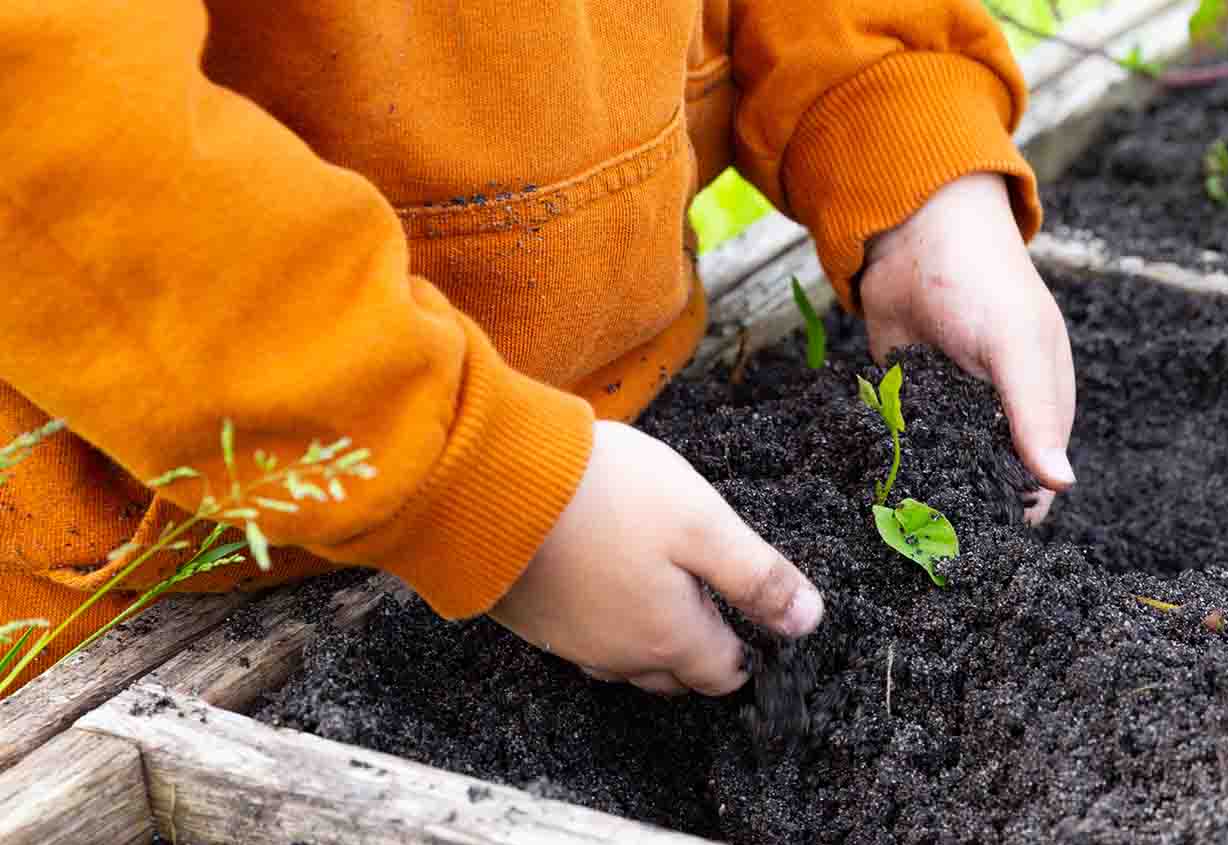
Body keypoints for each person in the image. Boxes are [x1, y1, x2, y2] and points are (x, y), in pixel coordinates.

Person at [0, 0, 1076, 698]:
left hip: (624, 453)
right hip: (172, 569)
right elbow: (52, 121)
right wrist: (475, 474)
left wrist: (910, 169)